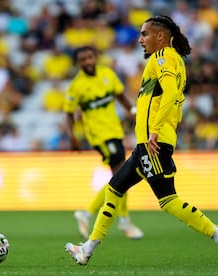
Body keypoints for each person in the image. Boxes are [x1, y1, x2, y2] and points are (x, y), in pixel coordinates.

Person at [65, 15, 218, 267]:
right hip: (146, 144)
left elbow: (169, 93)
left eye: (144, 34)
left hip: (152, 142)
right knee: (114, 189)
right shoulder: (175, 61)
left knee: (168, 200)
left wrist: (155, 130)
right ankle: (87, 248)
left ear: (160, 36)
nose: (140, 39)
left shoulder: (163, 57)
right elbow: (174, 100)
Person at [63, 45, 144, 240]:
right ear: (78, 63)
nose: (88, 61)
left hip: (115, 131)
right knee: (122, 175)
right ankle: (121, 220)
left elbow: (121, 96)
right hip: (99, 136)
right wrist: (72, 136)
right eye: (83, 59)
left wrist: (134, 113)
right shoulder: (77, 86)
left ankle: (89, 213)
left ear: (96, 57)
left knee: (122, 176)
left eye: (90, 57)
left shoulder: (107, 74)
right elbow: (68, 114)